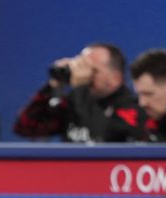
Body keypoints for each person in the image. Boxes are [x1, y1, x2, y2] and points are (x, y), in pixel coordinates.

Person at [13, 43, 148, 143]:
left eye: (92, 70)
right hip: (70, 172)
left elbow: (102, 138)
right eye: (81, 66)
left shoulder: (133, 107)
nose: (84, 74)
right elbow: (26, 127)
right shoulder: (75, 100)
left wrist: (80, 86)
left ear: (115, 79)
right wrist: (54, 87)